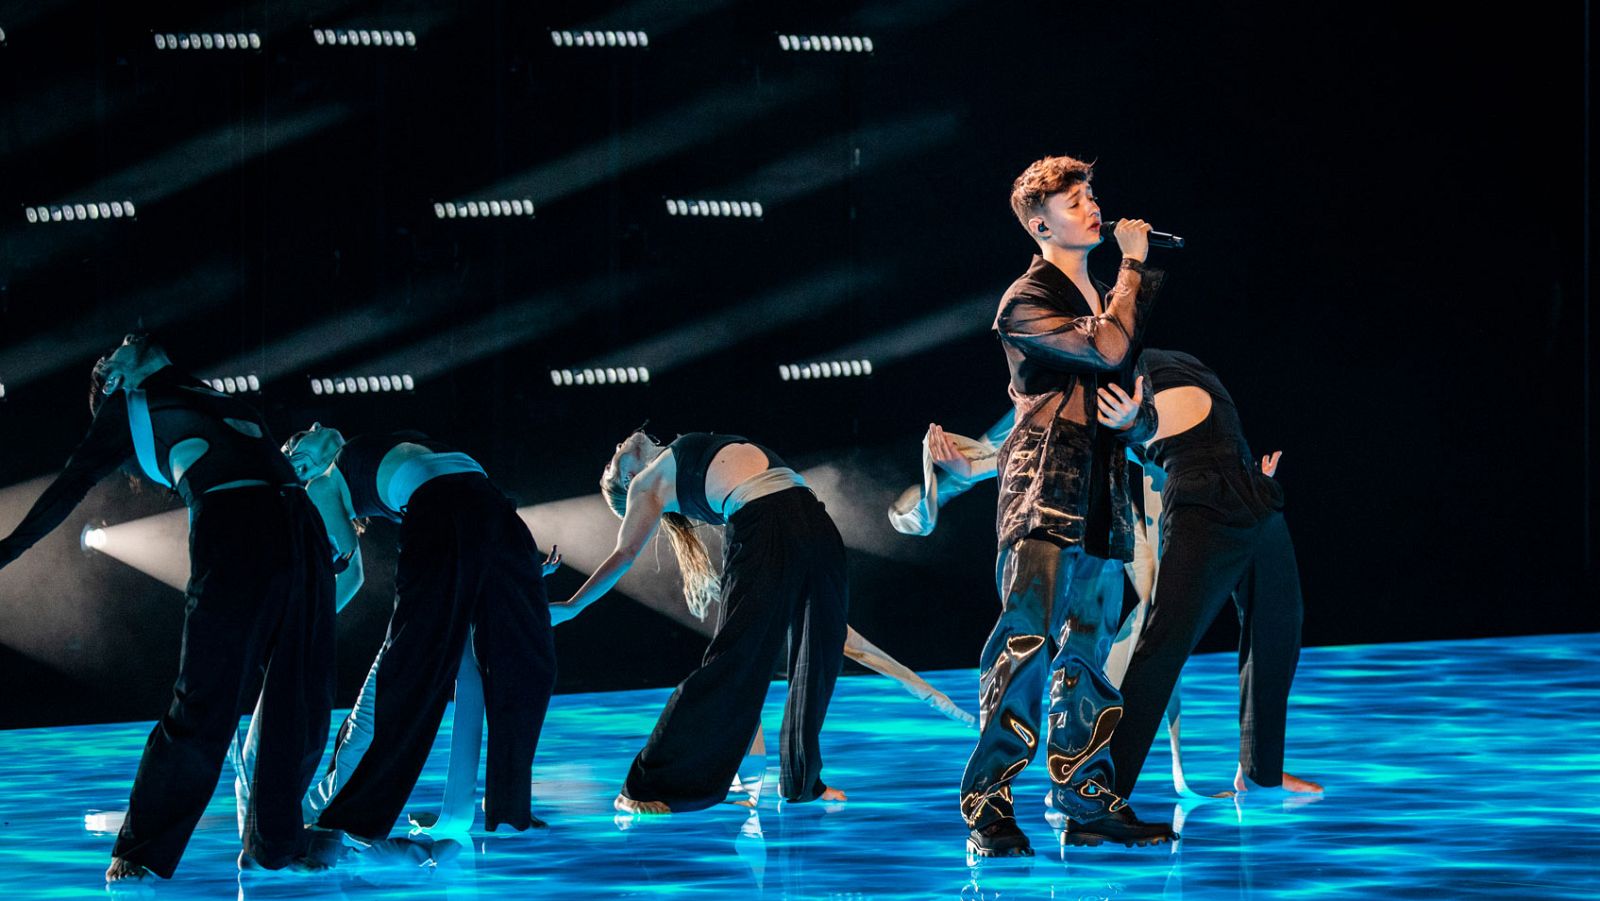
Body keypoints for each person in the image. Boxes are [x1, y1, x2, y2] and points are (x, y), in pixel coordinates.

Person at [0, 334, 335, 881]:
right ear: (114, 380)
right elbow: (67, 488)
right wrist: (7, 550)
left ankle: (276, 845)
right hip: (234, 526)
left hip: (298, 526)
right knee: (207, 696)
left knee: (303, 693)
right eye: (110, 353)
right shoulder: (125, 406)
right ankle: (141, 855)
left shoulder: (208, 391)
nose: (126, 340)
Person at [961, 154, 1175, 857]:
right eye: (1074, 199)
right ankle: (989, 801)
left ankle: (1085, 798)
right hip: (1045, 490)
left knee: (1088, 654)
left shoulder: (1106, 302)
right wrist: (1135, 267)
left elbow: (1135, 411)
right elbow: (1110, 345)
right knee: (1026, 643)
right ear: (1039, 220)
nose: (1092, 207)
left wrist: (1132, 422)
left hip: (1105, 498)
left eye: (1091, 194)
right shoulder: (1026, 299)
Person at [279, 425, 557, 843]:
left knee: (529, 663)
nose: (311, 432)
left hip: (493, 513)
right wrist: (304, 631)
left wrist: (501, 569)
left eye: (300, 439)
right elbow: (350, 576)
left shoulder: (373, 447)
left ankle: (508, 806)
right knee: (408, 676)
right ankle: (341, 816)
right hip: (451, 512)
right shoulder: (322, 483)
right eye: (295, 451)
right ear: (302, 469)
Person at [554, 429, 848, 814]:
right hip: (764, 522)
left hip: (811, 517)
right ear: (626, 479)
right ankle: (647, 785)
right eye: (611, 464)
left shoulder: (674, 458)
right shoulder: (647, 483)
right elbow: (624, 553)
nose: (616, 446)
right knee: (736, 661)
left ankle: (801, 781)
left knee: (821, 655)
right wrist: (574, 605)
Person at [1109, 350, 1322, 798]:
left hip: (1250, 487)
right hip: (1199, 500)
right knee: (1165, 643)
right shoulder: (1092, 375)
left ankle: (1260, 771)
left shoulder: (1152, 352)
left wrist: (1244, 472)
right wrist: (1129, 425)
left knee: (1279, 626)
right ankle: (1103, 788)